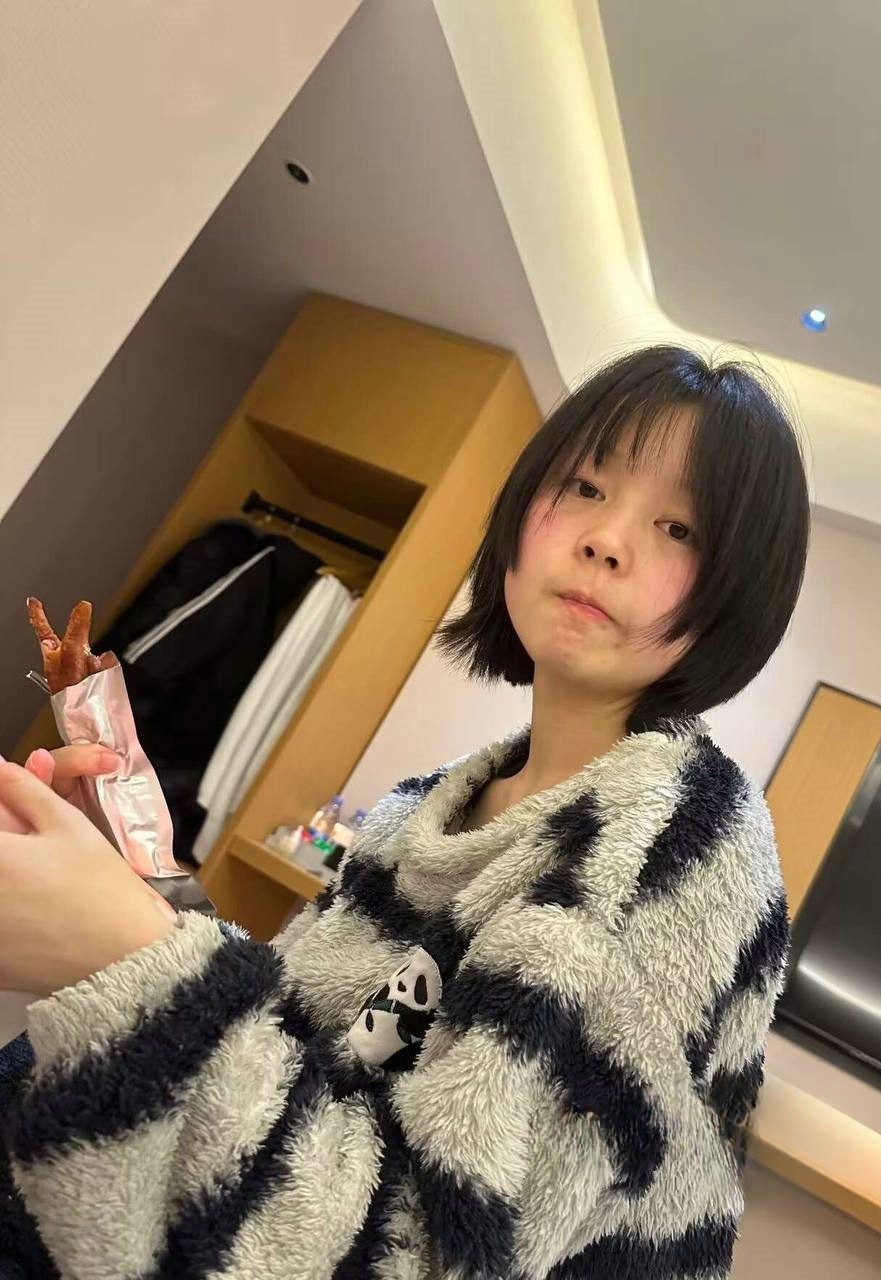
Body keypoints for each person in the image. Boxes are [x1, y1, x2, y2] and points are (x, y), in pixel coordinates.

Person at [0, 345, 809, 1279]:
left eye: (679, 529)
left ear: (736, 595)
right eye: (585, 487)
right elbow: (287, 1055)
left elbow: (427, 1254)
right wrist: (146, 882)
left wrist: (130, 960)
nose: (607, 539)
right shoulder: (423, 810)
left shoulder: (682, 847)